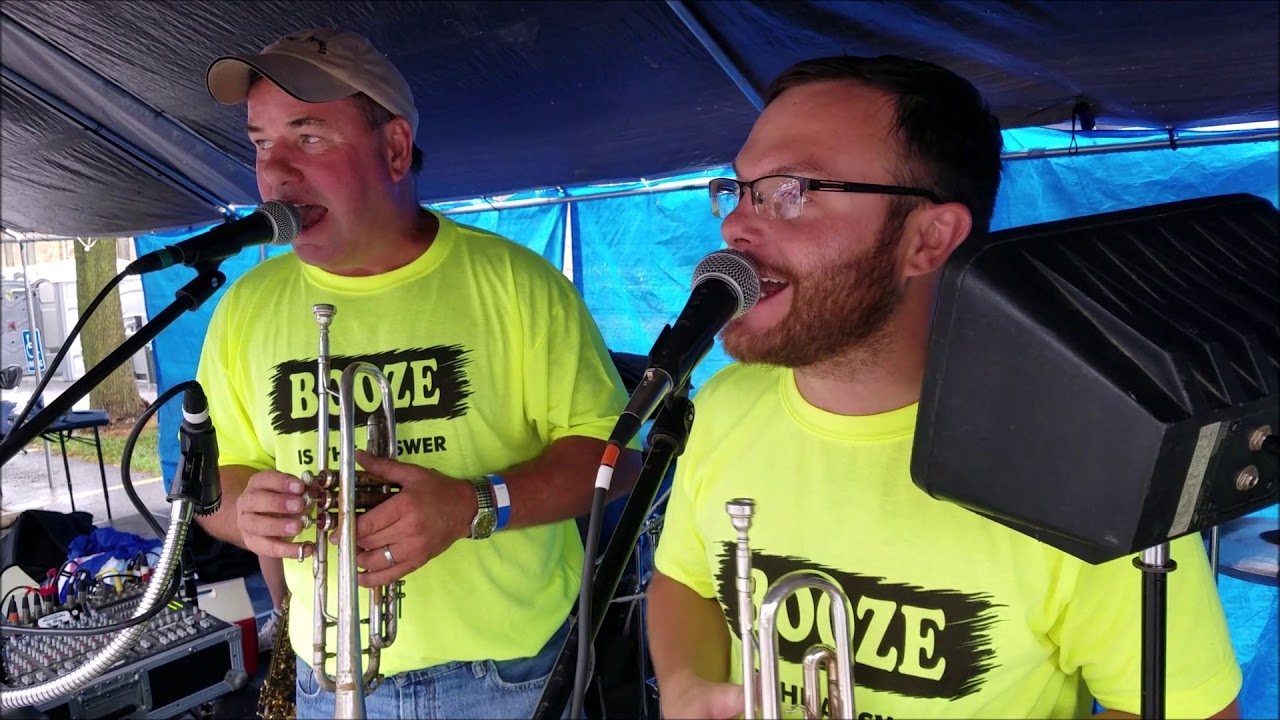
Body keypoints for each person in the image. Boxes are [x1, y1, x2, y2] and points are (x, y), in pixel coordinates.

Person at [646, 55, 1243, 719]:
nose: (733, 226)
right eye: (741, 189)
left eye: (792, 190)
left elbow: (1192, 711)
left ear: (928, 239)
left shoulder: (1088, 469)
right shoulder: (727, 403)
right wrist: (686, 687)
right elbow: (685, 582)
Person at [191, 28, 636, 719]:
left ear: (394, 148)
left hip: (509, 678)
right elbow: (220, 480)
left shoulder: (516, 284)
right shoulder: (244, 307)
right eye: (259, 143)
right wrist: (247, 515)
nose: (274, 172)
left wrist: (475, 505)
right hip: (324, 678)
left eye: (308, 138)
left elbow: (617, 455)